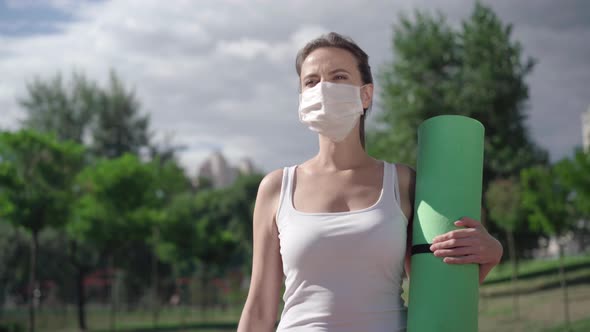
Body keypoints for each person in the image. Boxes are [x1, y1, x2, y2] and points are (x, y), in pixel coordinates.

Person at [237, 32, 503, 332]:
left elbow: (437, 291)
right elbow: (259, 308)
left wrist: (490, 253)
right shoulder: (276, 187)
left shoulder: (403, 182)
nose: (323, 88)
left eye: (338, 76)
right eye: (311, 81)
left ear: (366, 94)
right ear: (302, 99)